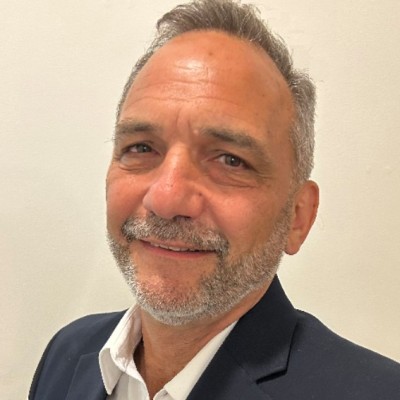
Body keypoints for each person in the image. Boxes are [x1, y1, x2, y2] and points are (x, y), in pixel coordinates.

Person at [29, 0, 400, 399]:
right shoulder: (67, 353)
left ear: (298, 216)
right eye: (141, 148)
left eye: (230, 160)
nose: (167, 199)